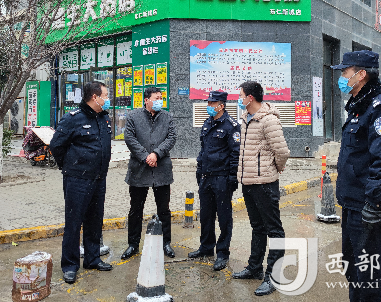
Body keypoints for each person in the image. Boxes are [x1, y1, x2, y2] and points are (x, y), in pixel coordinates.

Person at [331, 50, 381, 301]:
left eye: (345, 72)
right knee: (353, 269)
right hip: (353, 204)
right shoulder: (359, 107)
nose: (342, 77)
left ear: (361, 75)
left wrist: (375, 203)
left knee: (371, 278)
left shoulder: (380, 109)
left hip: (368, 208)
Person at [49, 81, 113, 284]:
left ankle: (92, 259)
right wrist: (69, 167)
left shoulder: (104, 117)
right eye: (105, 95)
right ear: (95, 97)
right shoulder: (72, 119)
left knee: (95, 221)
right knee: (74, 223)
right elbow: (56, 146)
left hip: (98, 178)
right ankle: (69, 265)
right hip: (77, 180)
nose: (108, 99)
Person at [232, 81, 290, 296]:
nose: (239, 99)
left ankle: (273, 276)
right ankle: (254, 267)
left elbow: (282, 152)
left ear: (250, 98)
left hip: (265, 183)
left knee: (274, 229)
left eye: (241, 95)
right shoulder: (245, 119)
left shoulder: (268, 120)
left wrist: (274, 169)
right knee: (257, 227)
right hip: (248, 182)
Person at [121, 86, 177, 260]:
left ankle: (166, 243)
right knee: (136, 209)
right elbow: (129, 138)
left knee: (164, 210)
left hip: (161, 168)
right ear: (146, 100)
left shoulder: (167, 117)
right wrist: (146, 156)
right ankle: (133, 244)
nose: (160, 101)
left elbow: (171, 138)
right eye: (156, 98)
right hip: (139, 169)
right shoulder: (133, 116)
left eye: (161, 98)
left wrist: (156, 154)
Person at [188, 91, 240, 271]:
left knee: (224, 217)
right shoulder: (207, 123)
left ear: (221, 105)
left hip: (222, 178)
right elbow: (203, 150)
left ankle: (223, 253)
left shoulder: (231, 126)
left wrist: (232, 177)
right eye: (208, 103)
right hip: (206, 177)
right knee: (206, 215)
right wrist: (199, 169)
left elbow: (235, 154)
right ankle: (206, 247)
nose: (209, 106)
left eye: (212, 103)